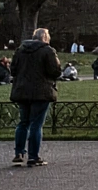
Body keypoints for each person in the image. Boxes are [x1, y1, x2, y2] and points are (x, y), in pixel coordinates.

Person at [10, 28, 61, 167]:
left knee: (23, 122)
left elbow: (13, 69)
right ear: (45, 37)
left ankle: (19, 152)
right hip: (41, 92)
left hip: (22, 91)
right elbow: (55, 71)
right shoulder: (48, 51)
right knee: (36, 125)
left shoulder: (20, 50)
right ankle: (33, 156)